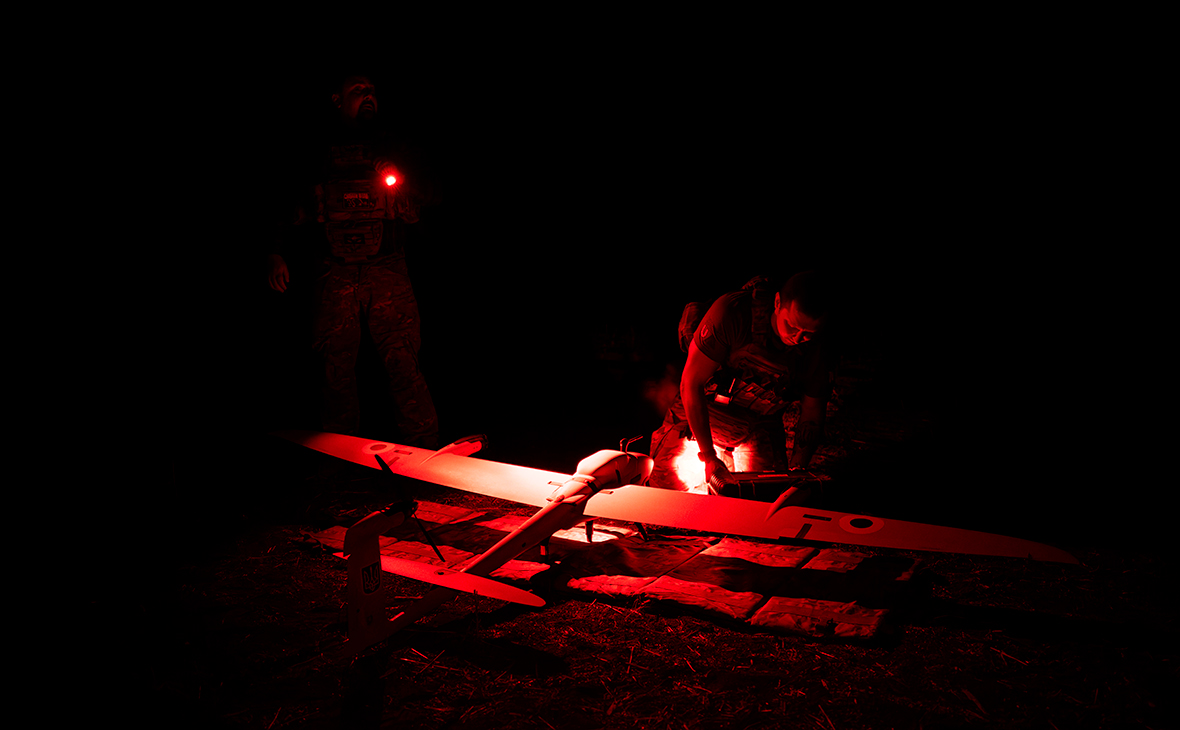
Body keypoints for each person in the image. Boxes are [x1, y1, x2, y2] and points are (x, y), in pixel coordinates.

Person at [268, 72, 438, 448]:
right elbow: (287, 201)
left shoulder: (395, 143)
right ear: (337, 99)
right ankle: (342, 453)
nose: (368, 96)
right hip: (334, 268)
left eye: (372, 91)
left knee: (403, 360)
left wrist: (398, 174)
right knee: (335, 367)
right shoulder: (313, 148)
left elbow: (425, 200)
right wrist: (276, 251)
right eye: (358, 91)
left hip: (387, 266)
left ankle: (425, 450)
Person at [648, 272, 835, 494]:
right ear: (777, 304)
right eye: (792, 326)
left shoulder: (818, 349)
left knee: (765, 498)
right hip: (706, 409)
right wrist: (708, 456)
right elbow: (691, 383)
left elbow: (812, 414)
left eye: (807, 334)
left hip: (758, 423)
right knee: (665, 493)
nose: (797, 337)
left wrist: (797, 473)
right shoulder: (733, 313)